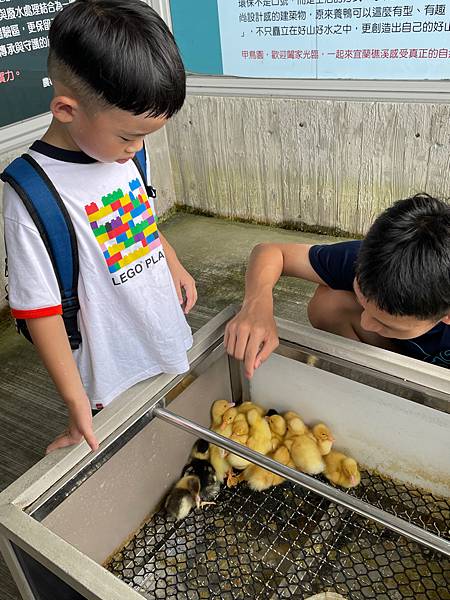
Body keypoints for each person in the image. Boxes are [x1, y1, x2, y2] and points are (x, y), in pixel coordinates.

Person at [2, 0, 197, 453]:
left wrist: (171, 261)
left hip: (159, 329)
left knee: (173, 431)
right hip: (105, 364)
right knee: (129, 447)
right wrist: (75, 406)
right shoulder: (32, 192)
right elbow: (40, 311)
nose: (138, 147)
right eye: (129, 136)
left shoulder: (120, 152)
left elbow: (137, 218)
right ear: (67, 109)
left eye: (146, 135)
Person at [225, 194, 450, 378]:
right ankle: (381, 378)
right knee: (326, 304)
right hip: (399, 353)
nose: (364, 322)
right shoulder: (371, 258)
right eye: (363, 300)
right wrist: (257, 305)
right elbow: (271, 252)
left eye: (385, 323)